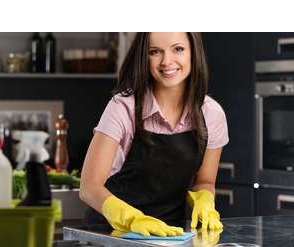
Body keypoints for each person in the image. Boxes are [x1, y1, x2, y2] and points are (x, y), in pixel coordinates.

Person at [79, 32, 228, 237]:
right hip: (111, 234)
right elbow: (89, 188)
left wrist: (204, 199)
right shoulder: (123, 108)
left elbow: (205, 181)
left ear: (194, 52)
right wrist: (132, 219)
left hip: (170, 236)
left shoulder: (211, 114)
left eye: (178, 49)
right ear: (143, 57)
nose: (167, 61)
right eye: (154, 52)